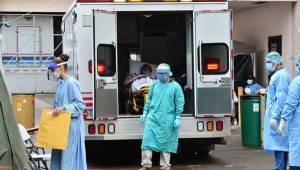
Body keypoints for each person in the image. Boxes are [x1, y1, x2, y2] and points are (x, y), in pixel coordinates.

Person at [139, 63, 185, 170]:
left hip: (167, 120)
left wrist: (178, 117)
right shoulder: (154, 85)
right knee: (147, 142)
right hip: (153, 118)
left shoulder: (175, 87)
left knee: (166, 145)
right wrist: (145, 113)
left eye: (163, 74)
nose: (160, 76)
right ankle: (146, 165)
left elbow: (179, 102)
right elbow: (149, 100)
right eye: (159, 74)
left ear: (168, 74)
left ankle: (164, 166)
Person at [47, 54, 87, 170]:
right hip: (61, 128)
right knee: (59, 159)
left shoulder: (72, 83)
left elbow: (80, 105)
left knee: (68, 160)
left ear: (61, 68)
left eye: (53, 70)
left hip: (71, 128)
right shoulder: (60, 84)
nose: (52, 73)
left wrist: (64, 108)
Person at [263, 51, 291, 170]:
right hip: (277, 116)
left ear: (276, 62)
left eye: (269, 62)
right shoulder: (279, 75)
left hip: (278, 118)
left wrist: (275, 116)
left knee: (279, 147)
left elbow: (281, 98)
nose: (267, 64)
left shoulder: (281, 75)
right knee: (281, 147)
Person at [279, 55, 300, 170]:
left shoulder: (297, 82)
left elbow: (291, 103)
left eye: (297, 64)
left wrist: (283, 119)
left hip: (298, 127)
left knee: (297, 157)